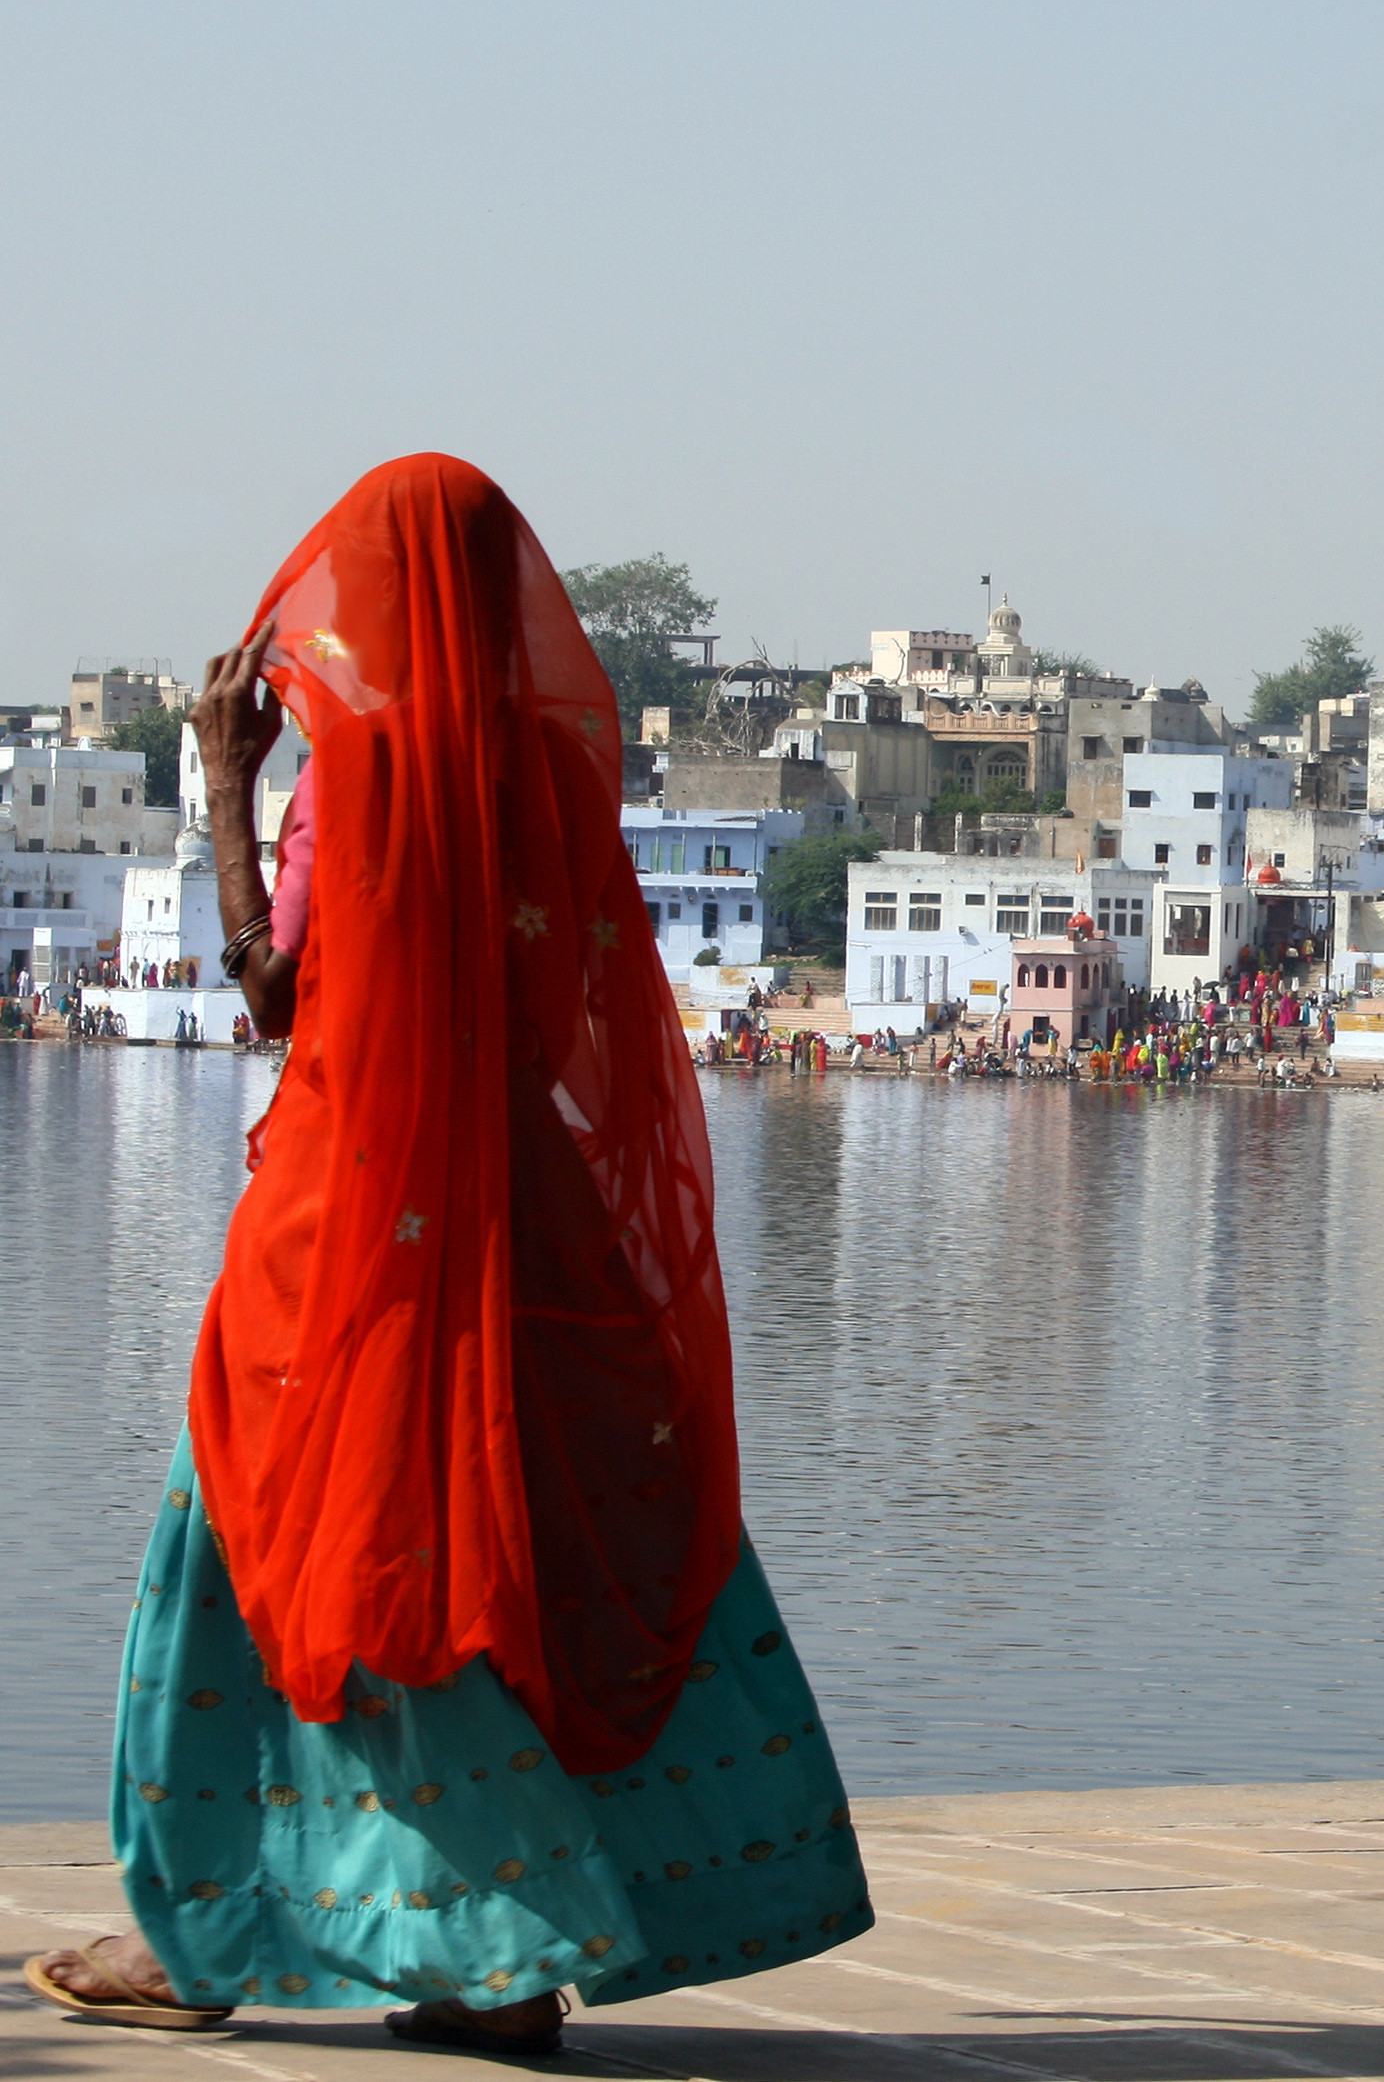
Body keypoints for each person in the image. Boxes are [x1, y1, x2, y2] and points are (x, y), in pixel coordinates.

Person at [24, 457, 870, 2052]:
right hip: (528, 1224)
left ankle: (206, 1940)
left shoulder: (361, 772)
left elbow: (284, 1005)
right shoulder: (549, 776)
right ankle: (498, 1963)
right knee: (516, 1559)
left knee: (284, 1548)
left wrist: (222, 789)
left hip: (353, 1226)